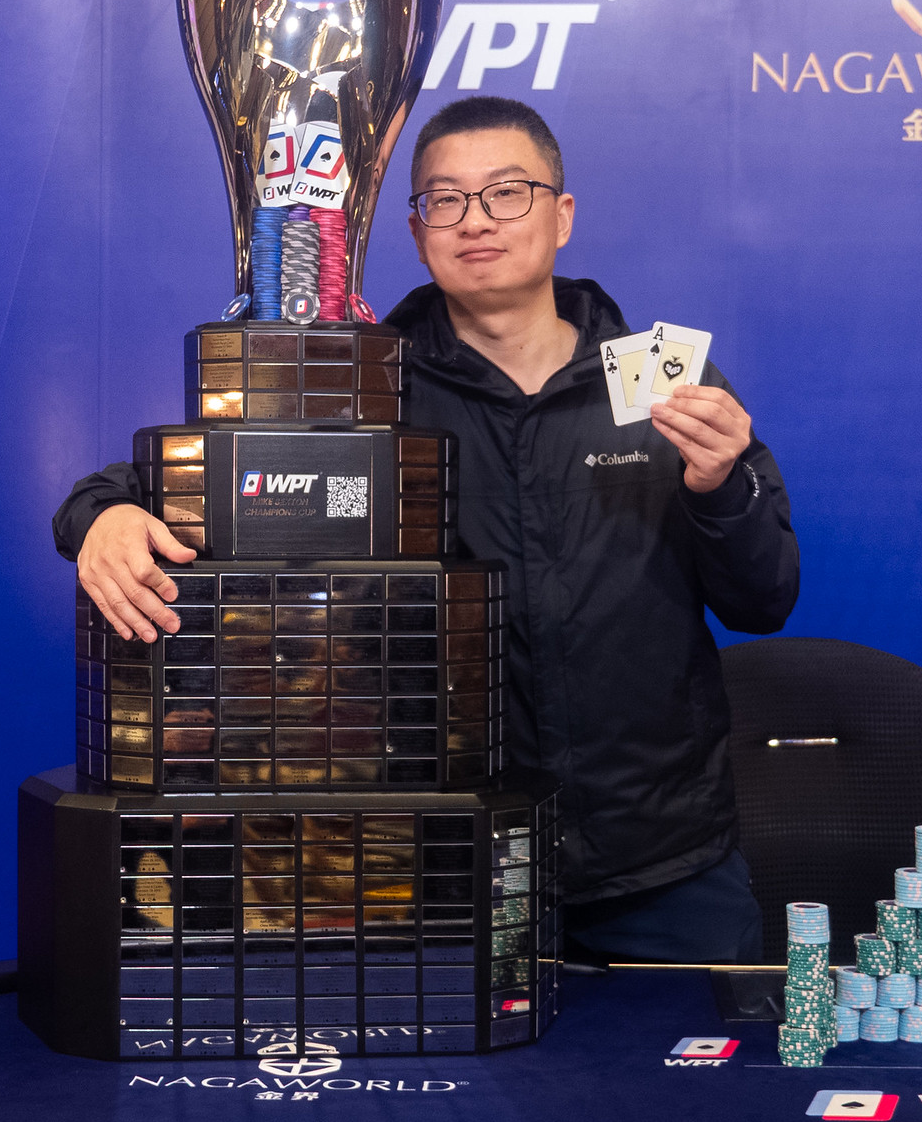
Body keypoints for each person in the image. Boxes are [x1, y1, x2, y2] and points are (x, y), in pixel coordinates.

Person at [53, 96, 799, 964]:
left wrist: (721, 486)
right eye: (445, 200)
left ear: (562, 216)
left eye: (507, 193)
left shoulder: (666, 388)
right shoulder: (361, 383)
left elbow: (764, 600)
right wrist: (103, 515)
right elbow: (180, 476)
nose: (475, 220)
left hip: (664, 861)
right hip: (441, 860)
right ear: (415, 232)